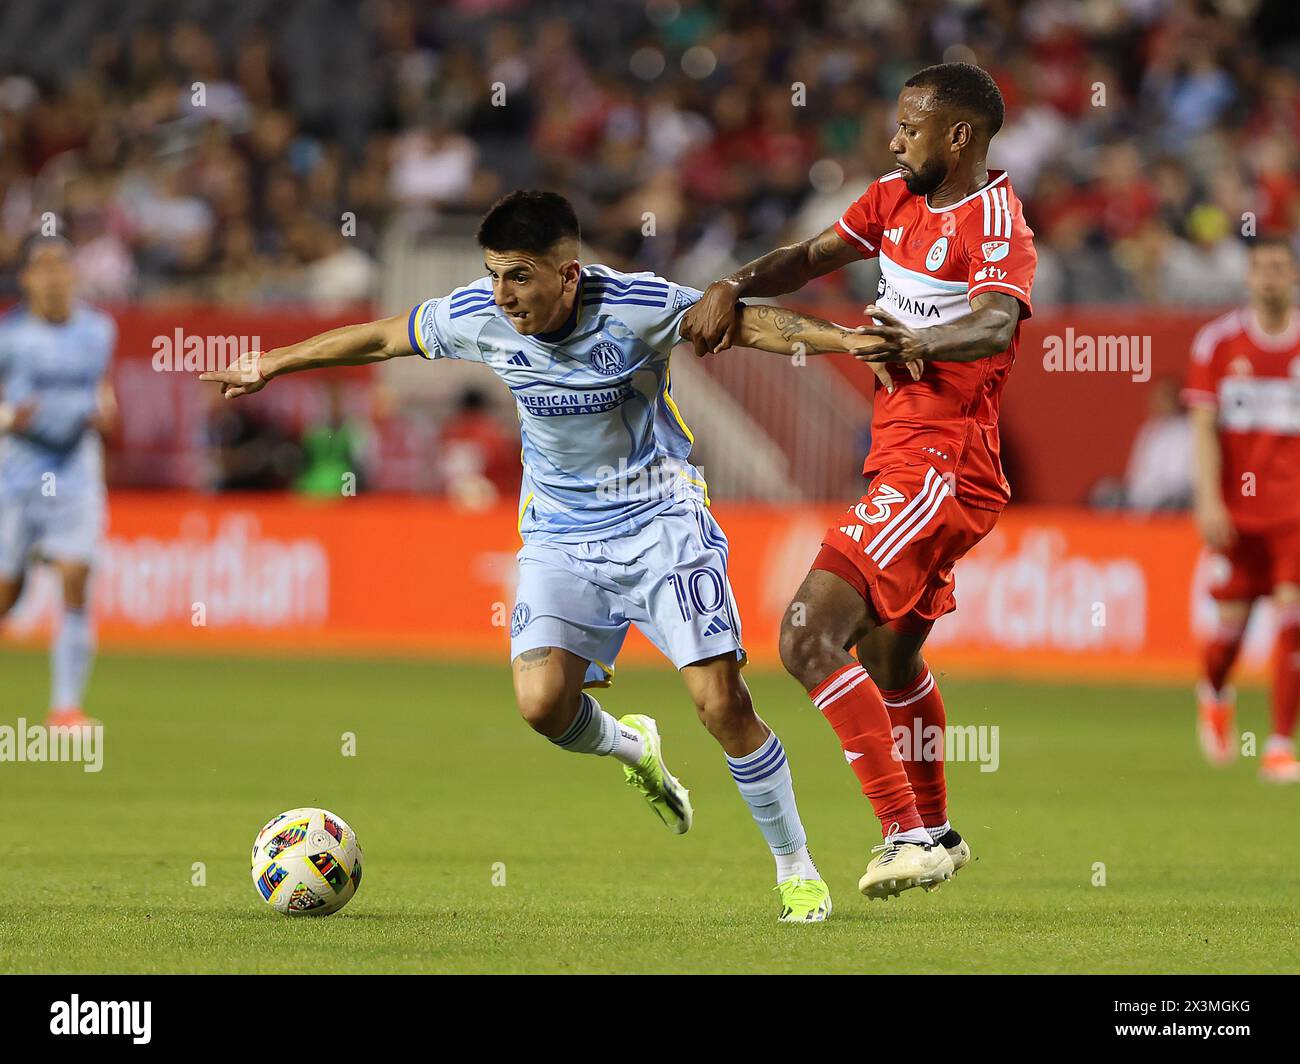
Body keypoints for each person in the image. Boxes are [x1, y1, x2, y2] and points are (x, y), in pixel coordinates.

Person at [202, 189, 879, 922]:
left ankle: (796, 868)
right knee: (540, 705)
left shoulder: (639, 305)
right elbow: (381, 338)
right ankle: (632, 747)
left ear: (568, 273)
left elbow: (749, 325)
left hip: (662, 522)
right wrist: (274, 361)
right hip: (559, 534)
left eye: (519, 275)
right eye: (495, 274)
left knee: (722, 704)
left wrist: (848, 341)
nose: (503, 294)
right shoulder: (479, 315)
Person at [682, 63, 1037, 900]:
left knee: (806, 635)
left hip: (941, 460)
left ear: (959, 136)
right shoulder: (894, 198)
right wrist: (732, 283)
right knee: (889, 656)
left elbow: (994, 320)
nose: (894, 139)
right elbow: (809, 257)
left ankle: (901, 833)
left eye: (909, 128)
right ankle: (938, 832)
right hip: (912, 458)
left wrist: (922, 345)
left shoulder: (998, 222)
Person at [1184, 236, 1300, 783]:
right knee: (1229, 630)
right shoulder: (1218, 344)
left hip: (1293, 512)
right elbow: (1204, 428)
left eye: (1280, 267)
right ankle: (1213, 689)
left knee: (1292, 620)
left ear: (1293, 276)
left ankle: (1279, 744)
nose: (1271, 277)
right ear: (1249, 277)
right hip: (1236, 511)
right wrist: (1207, 498)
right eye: (1263, 268)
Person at [0, 235, 118, 729]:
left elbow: (100, 391)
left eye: (61, 265)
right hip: (18, 471)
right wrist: (7, 417)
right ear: (25, 277)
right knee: (8, 591)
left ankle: (65, 708)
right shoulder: (8, 337)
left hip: (75, 469)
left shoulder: (98, 330)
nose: (53, 275)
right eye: (42, 266)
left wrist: (105, 410)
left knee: (75, 576)